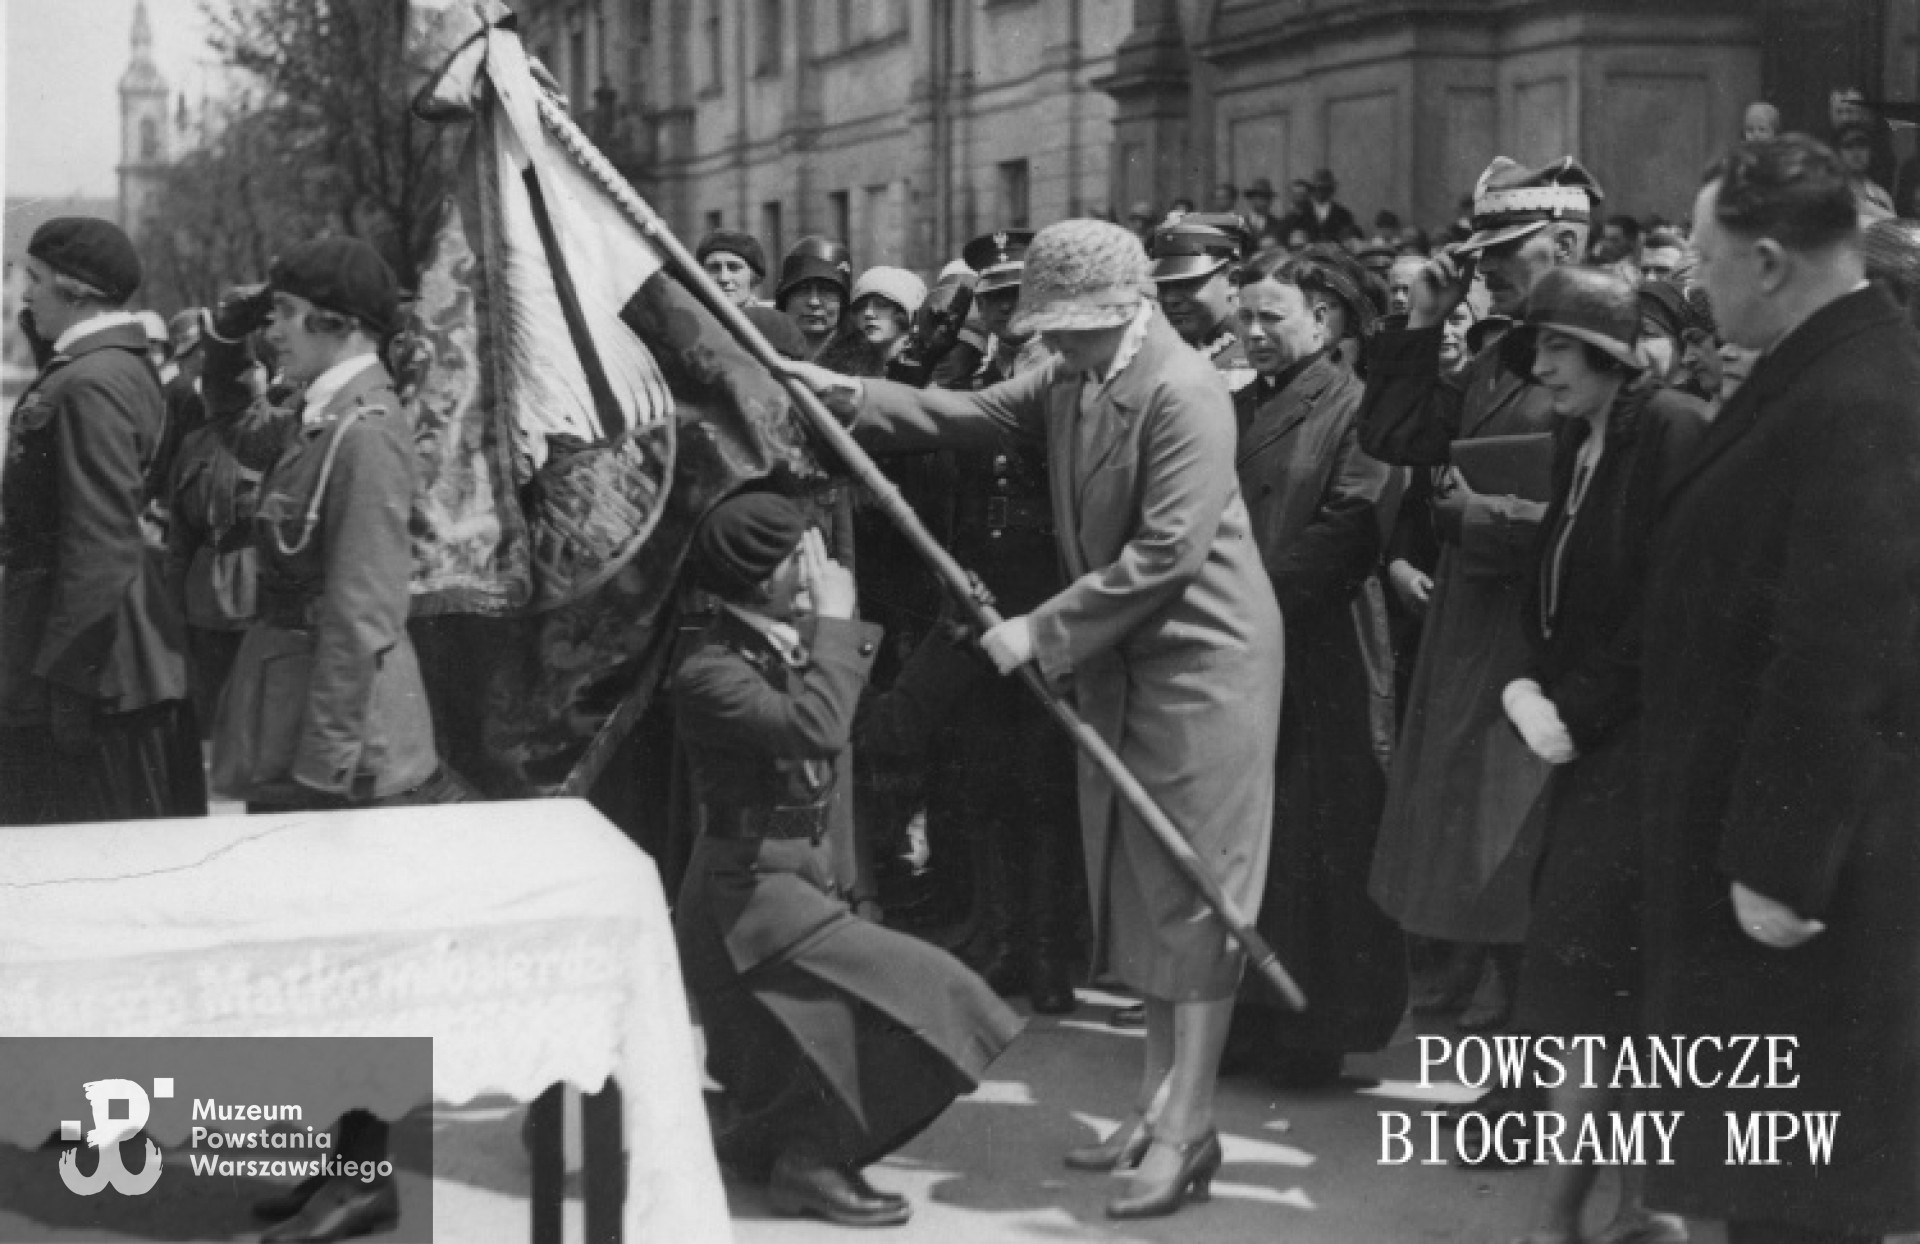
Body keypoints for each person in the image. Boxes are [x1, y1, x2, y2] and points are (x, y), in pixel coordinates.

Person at [789, 218, 1283, 1220]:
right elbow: (966, 412)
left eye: (1067, 328)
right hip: (1120, 652)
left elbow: (1167, 557)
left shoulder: (1184, 393)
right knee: (1142, 887)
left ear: (1119, 314)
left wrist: (1039, 630)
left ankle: (1191, 1124)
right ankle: (1154, 1099)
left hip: (1201, 661)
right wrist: (847, 394)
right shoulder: (1072, 371)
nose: (1050, 346)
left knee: (1197, 888)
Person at [1639, 134, 1920, 1244]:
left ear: (1765, 262)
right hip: (1761, 833)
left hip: (1803, 867)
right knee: (1770, 1184)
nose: (1694, 284)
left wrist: (1780, 860)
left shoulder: (1862, 392)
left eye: (1704, 260)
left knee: (1803, 1196)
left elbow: (1842, 647)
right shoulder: (1825, 368)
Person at [200, 239, 469, 1242]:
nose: (271, 329)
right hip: (300, 716)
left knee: (347, 963)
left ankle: (363, 1178)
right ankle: (337, 1163)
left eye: (281, 314)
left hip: (344, 741)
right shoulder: (321, 420)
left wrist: (321, 773)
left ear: (336, 324)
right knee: (312, 962)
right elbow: (234, 420)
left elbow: (361, 615)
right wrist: (229, 335)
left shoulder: (365, 433)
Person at [671, 491, 1021, 1228]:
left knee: (868, 1033)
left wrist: (946, 642)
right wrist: (836, 619)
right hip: (748, 905)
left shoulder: (788, 643)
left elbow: (876, 734)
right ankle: (807, 1159)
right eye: (804, 553)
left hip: (803, 892)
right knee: (953, 1001)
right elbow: (818, 728)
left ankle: (774, 1141)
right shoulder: (708, 669)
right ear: (763, 574)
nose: (820, 565)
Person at [1361, 157, 1603, 1036]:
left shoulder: (1612, 353)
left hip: (1542, 638)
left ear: (1569, 243)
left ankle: (1526, 1081)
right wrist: (1422, 320)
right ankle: (1512, 1064)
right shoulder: (1509, 350)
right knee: (1481, 849)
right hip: (1476, 634)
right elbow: (1395, 434)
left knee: (1523, 853)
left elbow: (1614, 518)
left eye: (1509, 249)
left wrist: (1483, 516)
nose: (1488, 268)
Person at [1496, 266, 1704, 1244]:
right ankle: (1600, 1205)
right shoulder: (1573, 437)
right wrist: (1533, 681)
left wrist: (1566, 707)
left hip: (1650, 748)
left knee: (1612, 983)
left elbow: (1670, 602)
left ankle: (1609, 1206)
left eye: (1556, 348)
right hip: (1592, 746)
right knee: (1591, 985)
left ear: (1613, 356)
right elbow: (1564, 590)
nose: (1540, 369)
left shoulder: (1670, 432)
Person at [1225, 249, 1407, 1088]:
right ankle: (1250, 1016)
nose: (1253, 332)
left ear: (1324, 319)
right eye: (1246, 316)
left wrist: (1252, 603)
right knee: (1255, 837)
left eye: (1273, 317)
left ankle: (1315, 1027)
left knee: (1319, 835)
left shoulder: (1360, 404)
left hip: (1322, 642)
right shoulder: (1235, 403)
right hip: (1244, 638)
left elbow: (1352, 523)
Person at [922, 227, 1082, 1014]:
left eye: (1016, 294)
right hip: (979, 596)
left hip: (1047, 598)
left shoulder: (1063, 378)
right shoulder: (975, 373)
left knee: (1044, 783)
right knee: (987, 776)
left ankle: (1050, 953)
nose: (1004, 310)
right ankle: (1000, 935)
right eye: (990, 297)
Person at [0, 217, 204, 827]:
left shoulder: (91, 381)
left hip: (88, 668)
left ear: (76, 289)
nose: (23, 293)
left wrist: (71, 685)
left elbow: (99, 543)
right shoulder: (106, 367)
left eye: (33, 279)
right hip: (92, 653)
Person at [1149, 216, 1254, 390]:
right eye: (1163, 286)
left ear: (1233, 282)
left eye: (1186, 284)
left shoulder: (1251, 359)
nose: (1170, 299)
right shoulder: (1162, 352)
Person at [776, 236, 855, 360]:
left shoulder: (866, 368)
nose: (814, 302)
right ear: (785, 299)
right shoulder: (759, 358)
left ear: (843, 303)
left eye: (827, 290)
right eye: (802, 289)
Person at [1834, 120, 1896, 222]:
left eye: (1862, 145)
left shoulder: (1882, 197)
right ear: (1837, 152)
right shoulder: (1829, 194)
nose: (1856, 152)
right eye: (1848, 146)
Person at [698, 227, 768, 308]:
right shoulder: (688, 319)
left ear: (754, 276)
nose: (724, 278)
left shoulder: (768, 319)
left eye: (734, 268)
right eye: (714, 268)